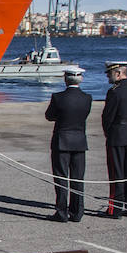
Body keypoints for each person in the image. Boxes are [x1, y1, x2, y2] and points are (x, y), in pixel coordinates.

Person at [45, 66, 92, 222]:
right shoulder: (87, 98)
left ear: (65, 79)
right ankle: (77, 211)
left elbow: (49, 116)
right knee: (78, 178)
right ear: (81, 79)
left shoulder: (58, 97)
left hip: (62, 140)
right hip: (79, 141)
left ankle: (61, 212)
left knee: (61, 178)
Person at [101, 61, 127, 218]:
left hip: (118, 134)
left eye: (110, 73)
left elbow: (107, 117)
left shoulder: (114, 92)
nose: (108, 77)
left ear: (118, 73)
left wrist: (108, 133)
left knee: (116, 173)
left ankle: (115, 209)